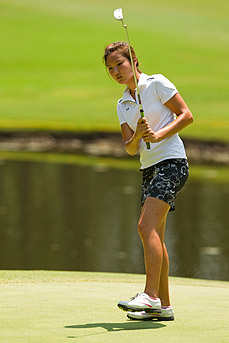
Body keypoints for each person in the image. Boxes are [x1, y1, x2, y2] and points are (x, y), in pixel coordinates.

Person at [103, 42, 193, 321]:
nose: (116, 71)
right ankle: (164, 306)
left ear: (133, 61)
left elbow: (186, 116)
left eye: (120, 64)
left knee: (145, 226)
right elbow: (130, 149)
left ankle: (150, 296)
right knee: (156, 235)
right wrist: (139, 135)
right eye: (110, 69)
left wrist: (158, 134)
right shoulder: (123, 104)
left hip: (172, 164)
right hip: (148, 170)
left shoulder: (156, 84)